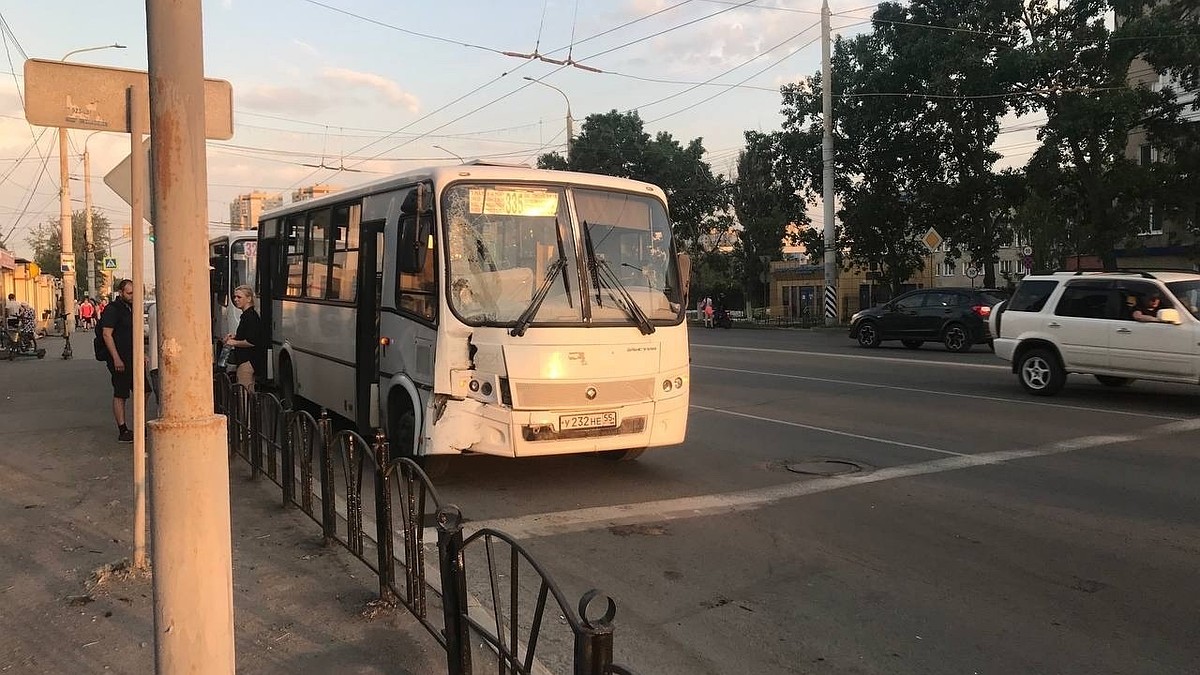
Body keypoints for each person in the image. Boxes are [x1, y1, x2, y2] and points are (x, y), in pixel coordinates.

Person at [99, 279, 135, 443]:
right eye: (129, 293)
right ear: (120, 292)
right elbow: (107, 334)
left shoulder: (131, 308)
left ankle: (138, 423)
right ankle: (123, 429)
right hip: (119, 358)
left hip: (132, 357)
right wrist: (116, 358)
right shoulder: (113, 310)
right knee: (121, 393)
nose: (132, 296)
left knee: (145, 389)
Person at [223, 285, 265, 394]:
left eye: (239, 297)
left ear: (249, 299)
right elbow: (248, 335)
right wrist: (235, 336)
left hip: (247, 361)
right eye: (234, 297)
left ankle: (249, 412)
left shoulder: (250, 317)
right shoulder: (247, 316)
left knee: (245, 395)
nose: (235, 299)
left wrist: (234, 342)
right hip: (245, 360)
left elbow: (251, 341)